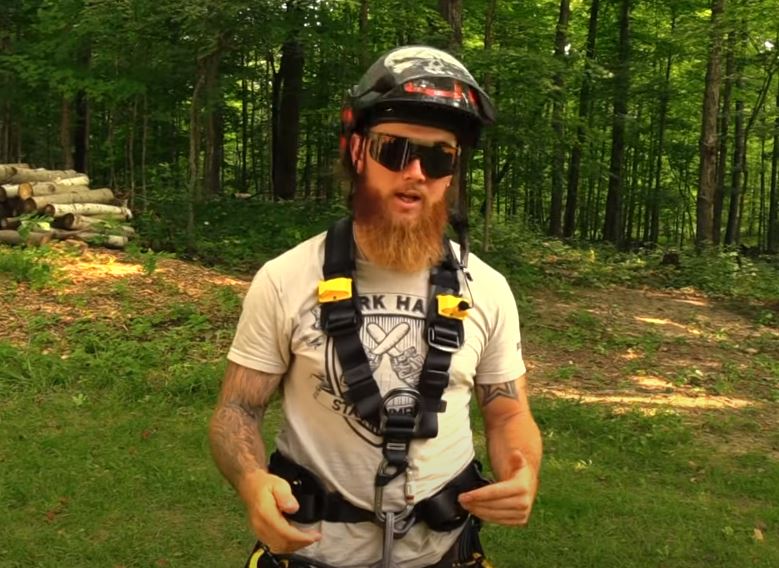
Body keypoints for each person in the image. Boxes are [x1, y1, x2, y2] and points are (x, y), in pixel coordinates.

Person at [209, 45, 543, 568]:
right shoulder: (285, 279)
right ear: (358, 153)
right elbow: (237, 410)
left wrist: (524, 471)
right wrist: (252, 480)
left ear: (453, 171)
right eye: (395, 150)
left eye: (439, 157)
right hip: (313, 553)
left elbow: (508, 412)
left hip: (445, 552)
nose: (416, 172)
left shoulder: (488, 288)